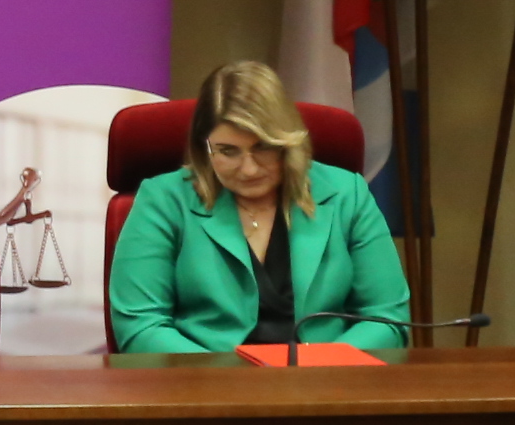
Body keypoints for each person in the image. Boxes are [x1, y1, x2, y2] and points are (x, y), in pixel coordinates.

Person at [106, 59, 411, 354]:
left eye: (263, 147)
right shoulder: (164, 200)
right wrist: (222, 379)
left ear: (287, 142)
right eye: (228, 151)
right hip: (205, 380)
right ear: (204, 147)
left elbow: (387, 319)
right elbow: (140, 326)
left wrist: (322, 368)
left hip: (325, 377)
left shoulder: (346, 194)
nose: (249, 169)